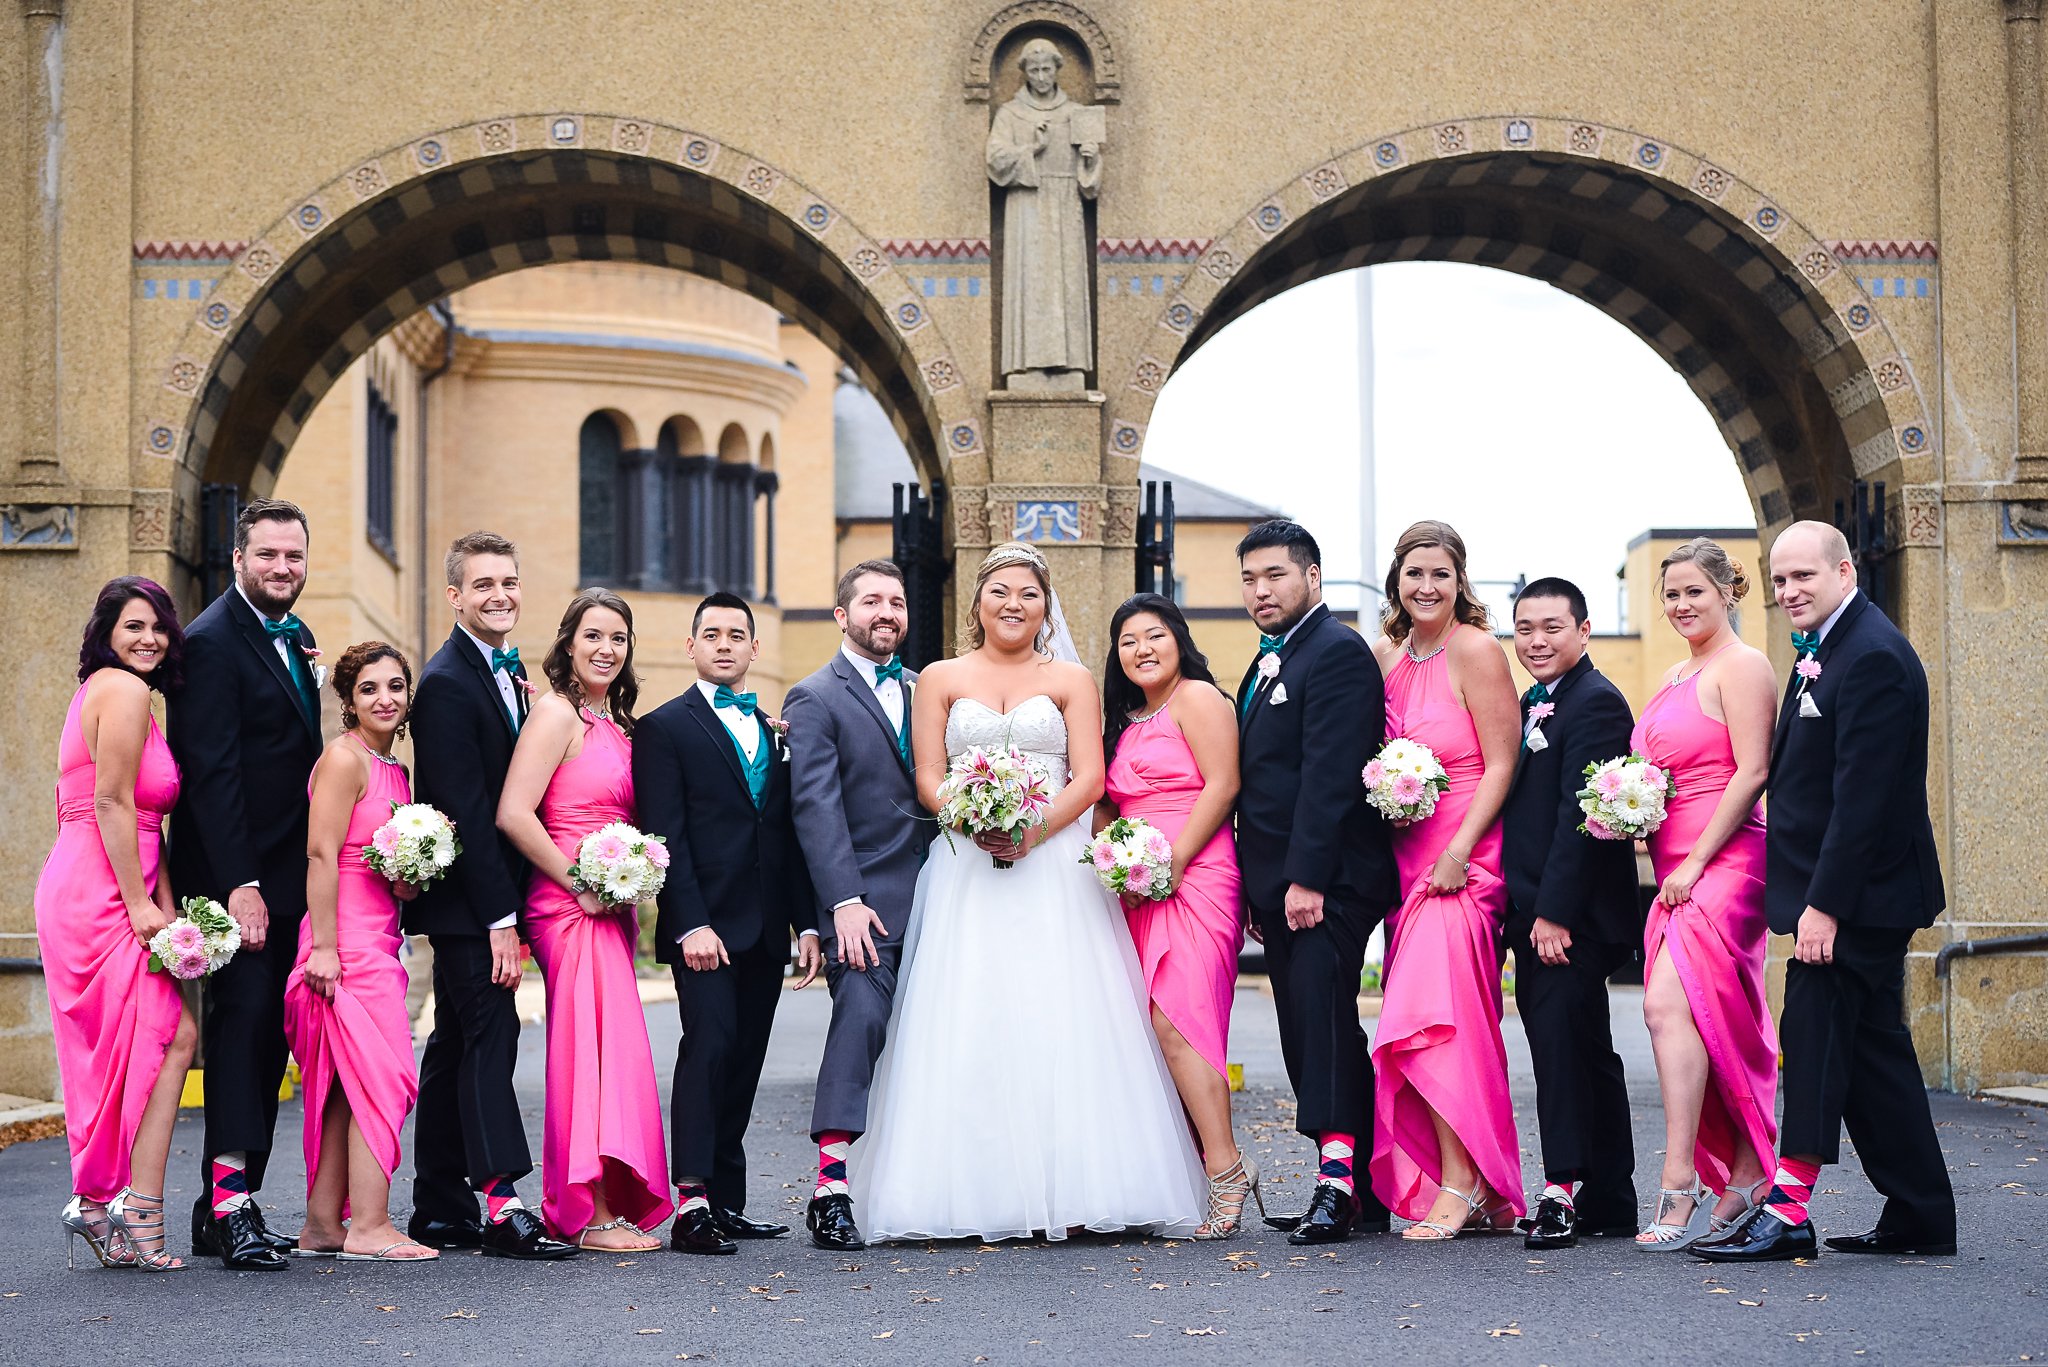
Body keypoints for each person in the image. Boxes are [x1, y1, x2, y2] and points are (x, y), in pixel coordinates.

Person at [849, 543, 1205, 1241]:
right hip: (966, 865)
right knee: (969, 1009)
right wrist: (971, 817)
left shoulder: (1071, 677)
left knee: (1064, 1008)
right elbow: (926, 773)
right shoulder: (941, 678)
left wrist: (1034, 828)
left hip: (1055, 861)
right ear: (978, 600)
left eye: (1030, 594)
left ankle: (1082, 1183)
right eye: (1001, 591)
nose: (1015, 603)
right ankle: (964, 1188)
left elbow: (1090, 776)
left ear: (1046, 606)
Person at [1692, 522, 1954, 1263]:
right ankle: (1923, 1212)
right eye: (1779, 580)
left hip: (1855, 899)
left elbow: (1863, 800)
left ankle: (1789, 1204)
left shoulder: (1871, 655)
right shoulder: (1831, 647)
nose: (1789, 591)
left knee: (1810, 1035)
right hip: (1849, 894)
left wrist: (1824, 904)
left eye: (1804, 576)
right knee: (1873, 1054)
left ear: (1845, 570)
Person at [405, 533, 574, 1260]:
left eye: (508, 581)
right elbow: (467, 809)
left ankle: (440, 1204)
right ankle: (503, 1204)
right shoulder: (446, 682)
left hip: (483, 900)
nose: (499, 594)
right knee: (489, 1040)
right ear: (454, 596)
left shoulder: (504, 675)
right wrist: (501, 917)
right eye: (482, 585)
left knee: (452, 1045)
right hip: (473, 906)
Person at [634, 593, 816, 1256]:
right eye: (711, 633)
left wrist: (805, 923)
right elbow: (664, 832)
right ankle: (691, 1200)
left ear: (753, 649)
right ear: (691, 646)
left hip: (766, 925)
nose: (724, 643)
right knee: (707, 1048)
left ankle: (727, 1200)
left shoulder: (774, 731)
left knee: (744, 1059)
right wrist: (689, 923)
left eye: (737, 634)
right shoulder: (664, 727)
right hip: (705, 927)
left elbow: (786, 832)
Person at [1234, 519, 1397, 1243]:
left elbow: (1330, 777)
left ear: (1312, 576)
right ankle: (1357, 1183)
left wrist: (1305, 880)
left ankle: (1338, 1184)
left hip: (1327, 882)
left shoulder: (1335, 653)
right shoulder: (1267, 661)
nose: (1261, 590)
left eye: (1275, 575)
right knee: (1307, 1030)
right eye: (1249, 578)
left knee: (1324, 1024)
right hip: (1281, 886)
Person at [168, 498, 321, 1270]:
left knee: (270, 1036)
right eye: (268, 555)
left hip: (289, 877)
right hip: (234, 880)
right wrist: (242, 885)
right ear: (238, 559)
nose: (282, 568)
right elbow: (212, 777)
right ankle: (229, 1201)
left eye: (293, 556)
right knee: (244, 1020)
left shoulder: (298, 637)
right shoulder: (209, 644)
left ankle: (229, 1203)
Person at [497, 589, 672, 1251]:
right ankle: (587, 1211)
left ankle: (612, 1198)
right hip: (568, 904)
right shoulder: (555, 714)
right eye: (593, 635)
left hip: (611, 906)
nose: (606, 648)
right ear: (568, 641)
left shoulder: (618, 724)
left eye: (618, 638)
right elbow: (515, 811)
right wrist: (579, 881)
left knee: (616, 1051)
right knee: (587, 1053)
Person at [1368, 520, 1524, 1240]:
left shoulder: (1476, 649)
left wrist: (1461, 850)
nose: (1426, 587)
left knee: (1438, 1020)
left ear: (1461, 581)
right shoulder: (1387, 656)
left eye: (1440, 574)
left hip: (1464, 858)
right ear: (1395, 580)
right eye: (1414, 574)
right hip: (1408, 859)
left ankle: (1459, 1181)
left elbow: (1501, 761)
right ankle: (1480, 1179)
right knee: (1441, 1012)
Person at [37, 577, 199, 1271]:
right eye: (134, 625)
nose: (149, 638)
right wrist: (140, 904)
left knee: (141, 1042)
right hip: (101, 886)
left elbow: (138, 817)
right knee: (170, 1033)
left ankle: (106, 1203)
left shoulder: (112, 694)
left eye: (159, 626)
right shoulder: (126, 691)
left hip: (100, 874)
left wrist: (163, 898)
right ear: (106, 632)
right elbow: (107, 803)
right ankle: (130, 1207)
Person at [1625, 538, 1779, 1250]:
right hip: (1674, 865)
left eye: (1695, 591)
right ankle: (1744, 1170)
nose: (1682, 604)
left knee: (1666, 1003)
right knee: (1689, 1017)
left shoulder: (1744, 667)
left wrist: (1695, 860)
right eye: (1671, 593)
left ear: (1728, 592)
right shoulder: (1674, 672)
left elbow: (1751, 771)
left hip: (1725, 860)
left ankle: (1680, 1179)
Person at [1097, 593, 1252, 1237]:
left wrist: (1172, 862)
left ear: (1178, 639)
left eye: (1154, 635)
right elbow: (1107, 801)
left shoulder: (1199, 699)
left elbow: (1224, 784)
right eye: (1129, 640)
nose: (1142, 649)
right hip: (1137, 883)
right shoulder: (1125, 719)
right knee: (1147, 1029)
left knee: (1179, 1022)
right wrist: (1117, 858)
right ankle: (1191, 1168)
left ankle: (1226, 1170)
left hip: (1198, 874)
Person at [782, 561, 923, 1252]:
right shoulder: (814, 697)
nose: (885, 611)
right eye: (871, 601)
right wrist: (841, 900)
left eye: (895, 601)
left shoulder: (931, 690)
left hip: (948, 897)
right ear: (842, 615)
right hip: (864, 904)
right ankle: (831, 1184)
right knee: (861, 1016)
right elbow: (814, 805)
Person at [282, 643, 435, 1263]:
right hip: (342, 941)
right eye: (370, 689)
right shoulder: (344, 760)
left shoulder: (394, 769)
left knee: (350, 1085)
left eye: (396, 686)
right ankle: (370, 1226)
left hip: (382, 933)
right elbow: (321, 854)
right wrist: (322, 947)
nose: (386, 699)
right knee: (384, 1078)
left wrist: (411, 874)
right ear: (348, 699)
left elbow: (385, 860)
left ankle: (323, 1223)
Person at [1502, 578, 1644, 1249]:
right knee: (1585, 1049)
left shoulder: (1594, 702)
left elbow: (1584, 815)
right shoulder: (1538, 702)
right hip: (1538, 909)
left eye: (1552, 626)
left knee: (1562, 1050)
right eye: (1525, 627)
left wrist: (1554, 912)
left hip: (1569, 917)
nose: (1537, 639)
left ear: (1584, 631)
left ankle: (1561, 1187)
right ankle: (1611, 1192)